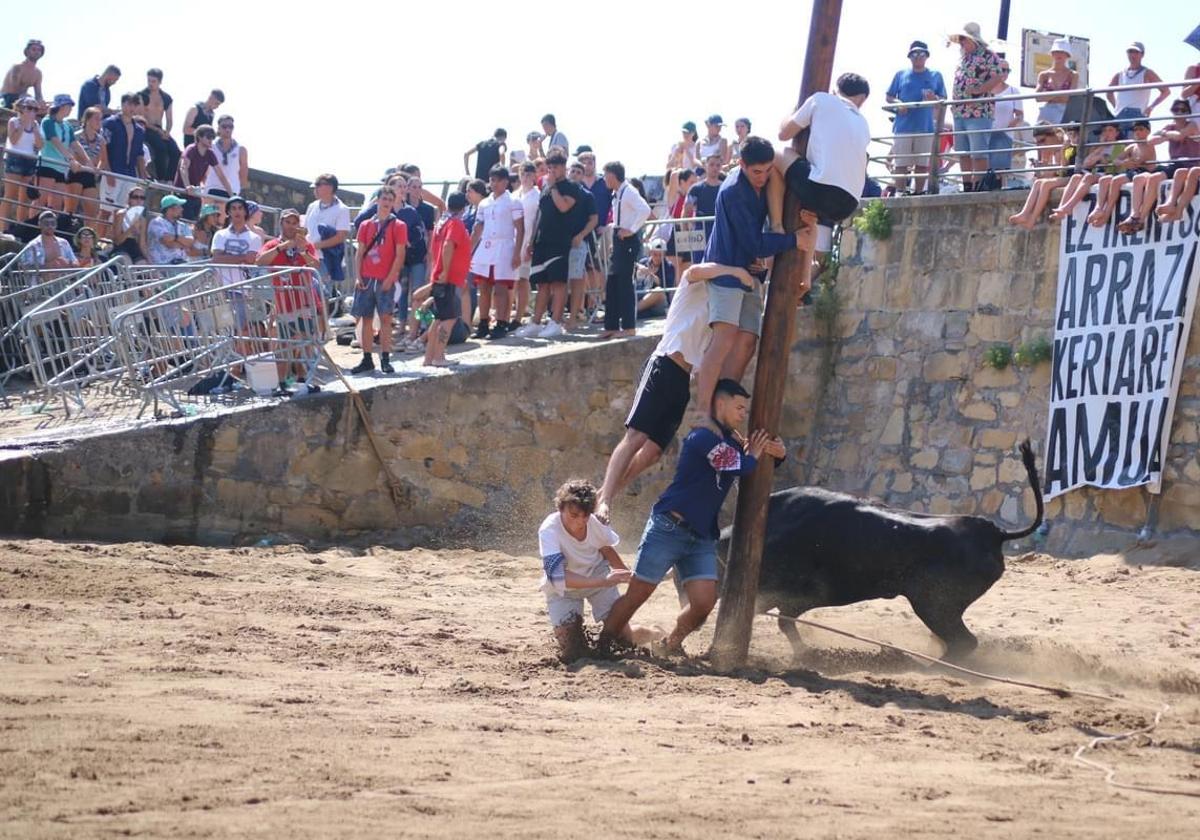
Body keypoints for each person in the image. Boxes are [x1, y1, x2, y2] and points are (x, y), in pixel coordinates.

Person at [598, 379, 785, 657]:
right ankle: (602, 645)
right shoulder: (702, 436)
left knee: (703, 604)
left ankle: (669, 645)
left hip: (701, 536)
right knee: (638, 594)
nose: (743, 414)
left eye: (745, 409)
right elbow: (738, 465)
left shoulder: (728, 440)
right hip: (668, 528)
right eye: (739, 407)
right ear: (720, 404)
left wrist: (777, 455)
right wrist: (756, 453)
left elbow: (748, 462)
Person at [595, 261, 756, 524]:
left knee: (653, 452)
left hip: (682, 380)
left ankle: (603, 495)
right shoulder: (698, 286)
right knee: (636, 436)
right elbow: (692, 271)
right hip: (663, 365)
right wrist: (735, 270)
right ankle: (604, 501)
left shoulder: (721, 314)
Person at [694, 136, 810, 416]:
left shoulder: (764, 180)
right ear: (742, 165)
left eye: (768, 170)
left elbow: (756, 244)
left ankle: (725, 402)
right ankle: (703, 412)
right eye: (757, 171)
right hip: (726, 273)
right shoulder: (734, 192)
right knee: (723, 340)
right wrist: (793, 240)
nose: (763, 177)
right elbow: (754, 244)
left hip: (748, 272)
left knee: (747, 342)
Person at [538, 479, 639, 662]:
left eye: (585, 516)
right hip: (564, 590)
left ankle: (649, 633)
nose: (580, 521)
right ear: (560, 508)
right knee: (573, 650)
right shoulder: (549, 529)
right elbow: (557, 576)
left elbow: (607, 549)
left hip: (597, 574)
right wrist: (605, 581)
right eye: (573, 515)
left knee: (624, 640)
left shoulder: (595, 522)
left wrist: (627, 576)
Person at [771, 73, 870, 248]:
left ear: (835, 90)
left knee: (774, 154)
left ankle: (776, 226)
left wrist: (795, 110)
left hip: (821, 189)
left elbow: (784, 134)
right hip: (848, 205)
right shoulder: (864, 124)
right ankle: (810, 217)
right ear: (861, 100)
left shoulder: (820, 100)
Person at [256, 207, 324, 384]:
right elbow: (260, 261)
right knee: (285, 344)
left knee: (304, 342)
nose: (291, 226)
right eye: (288, 222)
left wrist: (302, 251)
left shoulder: (306, 244)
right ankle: (282, 381)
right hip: (284, 303)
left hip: (305, 301)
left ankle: (303, 379)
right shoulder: (273, 245)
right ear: (281, 223)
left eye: (295, 223)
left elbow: (315, 265)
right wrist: (283, 247)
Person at [524, 152, 583, 338]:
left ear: (563, 167)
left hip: (559, 242)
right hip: (542, 242)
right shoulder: (545, 189)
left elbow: (564, 207)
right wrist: (531, 240)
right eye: (549, 168)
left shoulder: (571, 187)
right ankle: (535, 322)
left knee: (558, 283)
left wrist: (554, 187)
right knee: (542, 283)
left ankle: (556, 321)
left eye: (555, 167)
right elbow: (539, 215)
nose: (551, 171)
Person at [350, 185, 407, 375]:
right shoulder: (366, 225)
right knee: (365, 319)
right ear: (377, 201)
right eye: (384, 199)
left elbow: (400, 255)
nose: (387, 203)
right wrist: (358, 277)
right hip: (367, 277)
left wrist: (391, 278)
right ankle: (367, 358)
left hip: (385, 278)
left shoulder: (398, 226)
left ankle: (385, 357)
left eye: (390, 200)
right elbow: (359, 253)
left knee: (385, 318)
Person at [469, 165, 525, 340]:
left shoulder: (514, 201)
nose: (493, 183)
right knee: (484, 287)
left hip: (504, 247)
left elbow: (520, 229)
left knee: (501, 289)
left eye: (497, 180)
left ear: (505, 182)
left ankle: (501, 322)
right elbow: (478, 227)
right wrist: (469, 251)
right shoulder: (484, 203)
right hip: (486, 248)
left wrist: (517, 253)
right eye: (491, 180)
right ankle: (484, 323)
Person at [948, 22, 1005, 191]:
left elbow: (997, 77)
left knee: (978, 151)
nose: (961, 43)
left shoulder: (989, 56)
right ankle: (967, 185)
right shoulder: (963, 59)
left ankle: (979, 184)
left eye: (964, 39)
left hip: (979, 111)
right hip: (960, 111)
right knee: (963, 151)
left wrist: (979, 90)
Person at [885, 40, 947, 195]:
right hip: (903, 126)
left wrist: (934, 98)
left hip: (925, 125)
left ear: (926, 56)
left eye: (921, 53)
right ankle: (900, 192)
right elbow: (889, 96)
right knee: (901, 162)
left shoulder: (935, 75)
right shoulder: (900, 75)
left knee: (922, 163)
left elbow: (943, 100)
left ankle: (918, 192)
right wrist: (899, 104)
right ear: (909, 56)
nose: (918, 57)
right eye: (914, 54)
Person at [601, 161, 651, 339]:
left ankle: (629, 326)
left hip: (628, 242)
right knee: (613, 283)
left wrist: (631, 229)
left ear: (613, 176)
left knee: (625, 284)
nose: (604, 179)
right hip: (620, 240)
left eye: (606, 175)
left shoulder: (629, 191)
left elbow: (644, 209)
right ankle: (611, 326)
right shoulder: (617, 193)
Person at [425, 192, 471, 367]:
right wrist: (445, 272)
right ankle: (439, 357)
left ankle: (429, 358)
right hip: (447, 278)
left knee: (438, 318)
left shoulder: (441, 223)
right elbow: (448, 245)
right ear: (463, 207)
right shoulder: (455, 223)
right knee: (449, 318)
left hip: (441, 276)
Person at [1087, 120, 1157, 227]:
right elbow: (1116, 160)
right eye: (1135, 130)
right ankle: (1102, 211)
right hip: (1133, 172)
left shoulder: (1149, 144)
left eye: (1141, 129)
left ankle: (1135, 215)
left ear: (1148, 131)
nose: (1137, 132)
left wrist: (1127, 163)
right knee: (1111, 180)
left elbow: (1139, 161)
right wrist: (1124, 162)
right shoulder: (1132, 146)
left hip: (1145, 173)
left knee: (1134, 178)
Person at [1048, 123, 1123, 221]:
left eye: (1110, 130)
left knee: (1088, 178)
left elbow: (1111, 164)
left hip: (1109, 174)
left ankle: (1069, 206)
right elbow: (1086, 163)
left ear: (1117, 133)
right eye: (1104, 131)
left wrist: (1100, 157)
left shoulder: (1120, 146)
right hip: (1097, 174)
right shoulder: (1098, 147)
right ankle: (1063, 207)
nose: (1106, 133)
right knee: (1076, 177)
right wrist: (1101, 147)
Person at [1007, 124, 1073, 229]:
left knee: (1045, 184)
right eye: (1038, 142)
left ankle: (1032, 219)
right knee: (1038, 183)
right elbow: (1047, 175)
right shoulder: (1050, 149)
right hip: (1061, 176)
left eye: (1042, 140)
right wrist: (1041, 167)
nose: (1040, 145)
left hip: (1070, 176)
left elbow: (1062, 170)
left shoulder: (1065, 144)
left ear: (1053, 135)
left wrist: (1047, 167)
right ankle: (1025, 214)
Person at [1147, 100, 1200, 225]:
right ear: (1172, 111)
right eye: (1176, 110)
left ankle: (1172, 205)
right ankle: (1143, 216)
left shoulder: (1191, 125)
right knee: (1154, 177)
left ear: (1188, 113)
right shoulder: (1170, 127)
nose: (1179, 112)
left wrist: (1164, 134)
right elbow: (1150, 140)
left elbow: (1179, 136)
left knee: (1181, 173)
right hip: (1176, 164)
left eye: (1183, 110)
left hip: (1191, 163)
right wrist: (1168, 134)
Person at [304, 173, 352, 309]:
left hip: (327, 259)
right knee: (308, 292)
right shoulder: (312, 206)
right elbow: (305, 229)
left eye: (318, 185)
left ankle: (323, 326)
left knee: (322, 294)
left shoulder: (342, 210)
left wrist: (316, 246)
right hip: (309, 256)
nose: (315, 189)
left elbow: (340, 236)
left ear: (330, 188)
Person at [1106, 42, 1172, 137]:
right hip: (1119, 116)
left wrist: (1151, 107)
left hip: (1137, 115)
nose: (1132, 55)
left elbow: (1166, 91)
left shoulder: (1147, 73)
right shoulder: (1120, 74)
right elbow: (1109, 92)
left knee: (1134, 148)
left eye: (1136, 52)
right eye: (1130, 51)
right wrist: (1117, 107)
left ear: (1142, 54)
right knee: (1117, 148)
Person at [100, 93, 149, 220]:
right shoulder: (110, 123)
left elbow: (139, 154)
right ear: (122, 104)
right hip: (114, 171)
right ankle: (99, 239)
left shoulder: (139, 130)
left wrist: (143, 174)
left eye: (134, 104)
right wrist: (108, 171)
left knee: (122, 212)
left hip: (130, 174)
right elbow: (103, 148)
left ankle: (112, 239)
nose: (132, 108)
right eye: (129, 104)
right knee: (106, 210)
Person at [564, 159, 598, 330]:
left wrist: (581, 235)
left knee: (577, 280)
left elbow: (594, 219)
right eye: (573, 171)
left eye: (579, 172)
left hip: (578, 242)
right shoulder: (561, 192)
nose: (575, 174)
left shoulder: (587, 195)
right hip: (560, 242)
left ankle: (574, 316)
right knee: (560, 281)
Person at [3, 96, 43, 228]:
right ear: (21, 108)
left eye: (35, 109)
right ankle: (2, 228)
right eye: (29, 108)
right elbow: (13, 140)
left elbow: (40, 145)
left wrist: (35, 128)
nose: (32, 111)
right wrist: (24, 124)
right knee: (10, 195)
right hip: (15, 158)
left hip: (29, 160)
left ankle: (20, 228)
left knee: (24, 199)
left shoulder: (36, 125)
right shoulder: (14, 121)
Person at [174, 125, 229, 221]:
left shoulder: (210, 153)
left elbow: (221, 175)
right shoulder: (191, 149)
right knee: (184, 220)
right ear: (199, 137)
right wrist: (187, 186)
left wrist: (232, 195)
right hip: (181, 193)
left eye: (213, 137)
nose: (211, 139)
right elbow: (183, 167)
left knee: (195, 222)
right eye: (208, 136)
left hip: (195, 194)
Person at [37, 94, 79, 212]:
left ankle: (51, 228)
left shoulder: (67, 125)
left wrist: (89, 162)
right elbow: (55, 141)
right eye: (68, 105)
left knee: (56, 204)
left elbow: (75, 143)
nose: (70, 108)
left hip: (61, 167)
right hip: (47, 165)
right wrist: (71, 159)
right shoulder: (48, 121)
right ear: (61, 106)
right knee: (40, 200)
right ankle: (31, 229)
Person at [512, 161, 541, 330]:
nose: (526, 177)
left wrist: (532, 243)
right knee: (512, 280)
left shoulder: (537, 196)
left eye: (530, 174)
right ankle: (511, 312)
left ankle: (520, 314)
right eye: (523, 174)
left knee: (523, 279)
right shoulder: (515, 194)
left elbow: (538, 221)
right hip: (514, 242)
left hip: (529, 241)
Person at [65, 106, 104, 230]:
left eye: (100, 119)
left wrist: (97, 168)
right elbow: (74, 154)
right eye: (96, 119)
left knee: (92, 211)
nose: (99, 122)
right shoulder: (76, 136)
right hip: (76, 173)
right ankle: (65, 233)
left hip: (90, 175)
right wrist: (88, 163)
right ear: (87, 120)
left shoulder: (100, 139)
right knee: (70, 209)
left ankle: (89, 237)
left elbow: (103, 159)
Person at [138, 69, 180, 183]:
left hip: (160, 129)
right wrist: (157, 130)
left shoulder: (166, 98)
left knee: (175, 151)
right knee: (160, 148)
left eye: (153, 81)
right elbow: (141, 117)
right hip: (146, 128)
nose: (150, 84)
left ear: (160, 82)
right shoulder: (142, 95)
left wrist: (167, 131)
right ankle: (161, 178)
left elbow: (170, 119)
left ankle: (169, 179)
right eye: (149, 81)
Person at [988, 60, 1024, 188]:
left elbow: (1020, 114)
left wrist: (1014, 121)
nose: (1004, 73)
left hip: (1004, 134)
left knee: (1000, 169)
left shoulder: (1013, 91)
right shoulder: (984, 89)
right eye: (1002, 69)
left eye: (1007, 70)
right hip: (985, 133)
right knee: (983, 165)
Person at [682, 154, 725, 262]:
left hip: (721, 229)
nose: (715, 168)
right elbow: (686, 212)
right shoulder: (695, 188)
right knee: (699, 263)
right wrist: (686, 235)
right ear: (706, 166)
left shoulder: (726, 187)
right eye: (711, 165)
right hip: (700, 230)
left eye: (717, 165)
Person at [1034, 39, 1077, 128]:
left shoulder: (1073, 75)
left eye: (1062, 52)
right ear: (1052, 54)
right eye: (1056, 51)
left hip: (1065, 113)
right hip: (1047, 113)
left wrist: (1049, 95)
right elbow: (1037, 97)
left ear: (1067, 55)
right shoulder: (1044, 74)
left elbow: (1071, 98)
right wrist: (1061, 95)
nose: (1059, 54)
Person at [146, 194, 192, 264]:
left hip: (182, 263)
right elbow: (167, 241)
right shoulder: (156, 222)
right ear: (169, 209)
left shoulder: (183, 225)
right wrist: (182, 243)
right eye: (179, 207)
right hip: (164, 266)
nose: (182, 209)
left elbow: (190, 242)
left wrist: (175, 238)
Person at [634, 238, 672, 319]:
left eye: (660, 255)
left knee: (658, 291)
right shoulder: (643, 262)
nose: (658, 257)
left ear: (664, 254)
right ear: (650, 253)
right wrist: (637, 268)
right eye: (655, 254)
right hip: (641, 296)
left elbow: (665, 288)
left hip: (659, 303)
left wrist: (650, 274)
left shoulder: (669, 266)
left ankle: (633, 311)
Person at [1, 39, 44, 108]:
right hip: (6, 98)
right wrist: (29, 98)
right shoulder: (17, 67)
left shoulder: (38, 73)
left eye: (39, 50)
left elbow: (38, 94)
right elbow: (15, 88)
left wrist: (41, 103)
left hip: (22, 100)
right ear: (27, 51)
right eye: (33, 49)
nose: (36, 52)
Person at [111, 187, 148, 263]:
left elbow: (142, 244)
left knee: (144, 266)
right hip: (121, 246)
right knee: (127, 262)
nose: (139, 200)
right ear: (129, 199)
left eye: (142, 198)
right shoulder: (121, 214)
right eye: (135, 197)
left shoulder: (142, 220)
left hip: (134, 247)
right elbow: (117, 241)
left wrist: (150, 260)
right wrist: (130, 229)